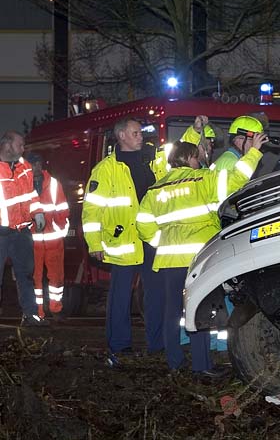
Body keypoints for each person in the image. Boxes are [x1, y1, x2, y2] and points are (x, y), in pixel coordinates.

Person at [136, 136, 265, 378]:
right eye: (197, 156)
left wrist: (161, 242)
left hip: (169, 260)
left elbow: (143, 225)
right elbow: (237, 179)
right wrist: (254, 152)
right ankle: (202, 365)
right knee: (199, 311)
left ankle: (174, 363)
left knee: (172, 313)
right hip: (199, 259)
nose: (200, 160)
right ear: (188, 158)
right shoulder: (204, 179)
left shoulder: (156, 189)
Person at [82, 118, 164, 364]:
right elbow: (92, 210)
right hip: (123, 241)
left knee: (156, 293)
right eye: (136, 133)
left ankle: (157, 344)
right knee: (121, 295)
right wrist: (94, 243)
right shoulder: (106, 169)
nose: (141, 136)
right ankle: (119, 345)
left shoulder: (152, 160)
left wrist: (196, 132)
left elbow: (182, 164)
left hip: (152, 238)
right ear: (122, 136)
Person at [0, 131, 47, 326]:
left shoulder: (25, 167)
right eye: (20, 145)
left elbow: (31, 195)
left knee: (26, 274)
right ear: (8, 145)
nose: (23, 148)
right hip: (1, 233)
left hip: (22, 232)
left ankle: (31, 315)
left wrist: (38, 212)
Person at [28, 153, 69, 320]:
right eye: (32, 164)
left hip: (53, 240)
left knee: (56, 278)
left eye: (37, 163)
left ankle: (56, 309)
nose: (35, 167)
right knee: (34, 279)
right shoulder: (23, 185)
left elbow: (62, 209)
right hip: (32, 242)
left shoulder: (53, 184)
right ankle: (37, 313)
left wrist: (59, 230)